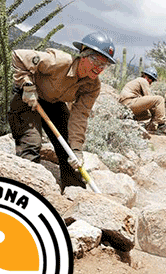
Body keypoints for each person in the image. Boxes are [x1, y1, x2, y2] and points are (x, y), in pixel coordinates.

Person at [8, 30, 115, 192]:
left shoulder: (92, 86)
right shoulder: (59, 61)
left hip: (54, 104)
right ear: (84, 55)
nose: (99, 68)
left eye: (104, 65)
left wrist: (77, 150)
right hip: (28, 99)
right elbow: (18, 56)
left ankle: (75, 195)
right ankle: (26, 192)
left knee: (69, 151)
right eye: (96, 61)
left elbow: (80, 117)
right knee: (31, 143)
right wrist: (27, 85)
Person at [119, 67, 166, 135]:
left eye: (152, 80)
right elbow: (150, 98)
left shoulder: (137, 81)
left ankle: (132, 121)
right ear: (144, 75)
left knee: (147, 114)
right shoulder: (143, 80)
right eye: (150, 78)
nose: (151, 81)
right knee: (159, 99)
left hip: (126, 106)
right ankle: (162, 126)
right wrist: (159, 116)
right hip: (130, 102)